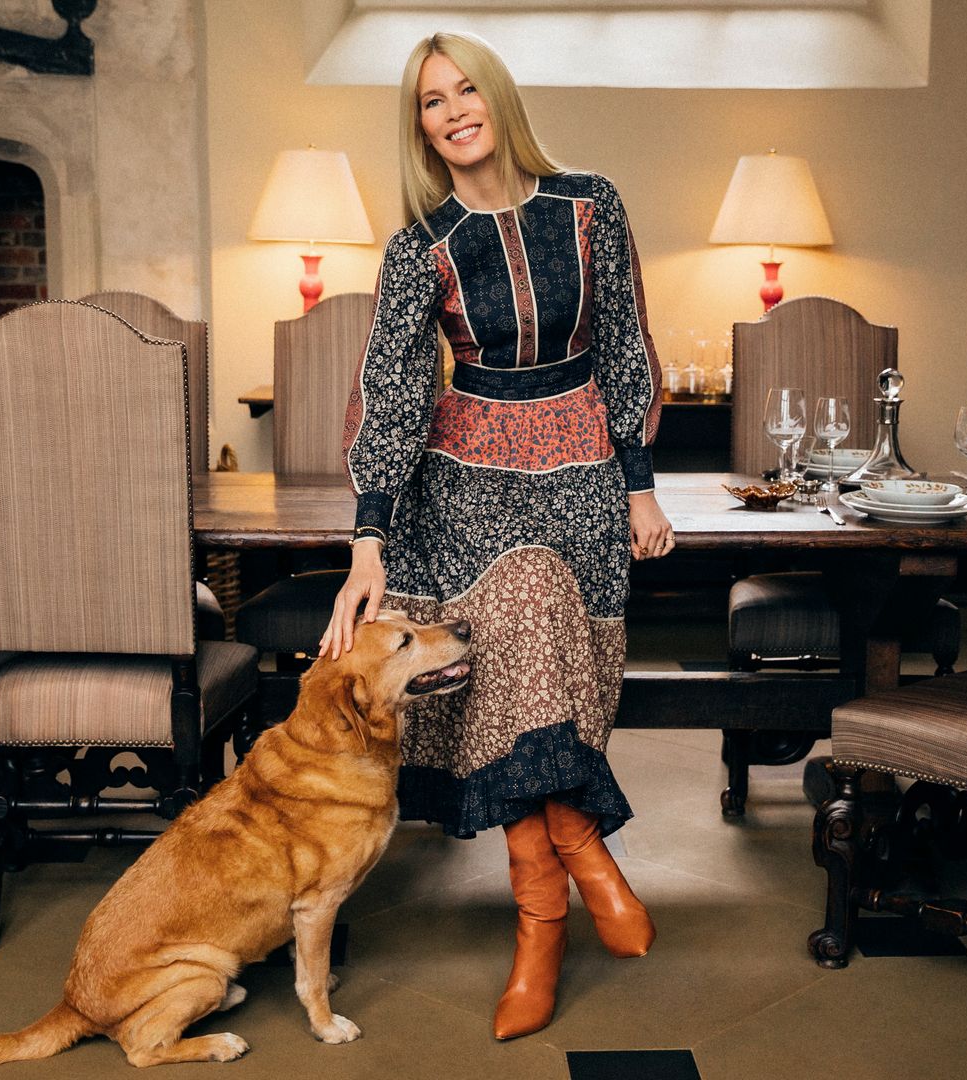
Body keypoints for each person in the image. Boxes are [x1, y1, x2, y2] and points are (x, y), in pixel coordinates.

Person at [317, 31, 672, 1041]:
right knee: (513, 606)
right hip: (462, 489)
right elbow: (393, 397)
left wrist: (641, 488)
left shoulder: (590, 202)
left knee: (537, 623)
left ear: (497, 96)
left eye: (466, 88)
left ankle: (551, 905)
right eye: (432, 101)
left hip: (583, 477)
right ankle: (564, 890)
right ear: (420, 126)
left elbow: (622, 349)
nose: (453, 109)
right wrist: (368, 543)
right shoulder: (418, 243)